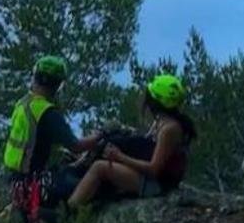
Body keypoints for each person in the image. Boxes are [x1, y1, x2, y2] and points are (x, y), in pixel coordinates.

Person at [67, 74, 197, 208]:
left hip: (157, 185)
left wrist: (120, 156)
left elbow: (154, 169)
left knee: (100, 167)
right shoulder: (164, 122)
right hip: (157, 180)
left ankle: (69, 212)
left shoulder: (169, 129)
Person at [2, 55, 100, 223]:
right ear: (57, 85)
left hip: (15, 185)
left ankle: (23, 209)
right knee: (92, 187)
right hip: (35, 186)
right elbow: (75, 146)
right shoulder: (47, 112)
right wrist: (100, 136)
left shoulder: (23, 104)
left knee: (67, 171)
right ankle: (62, 219)